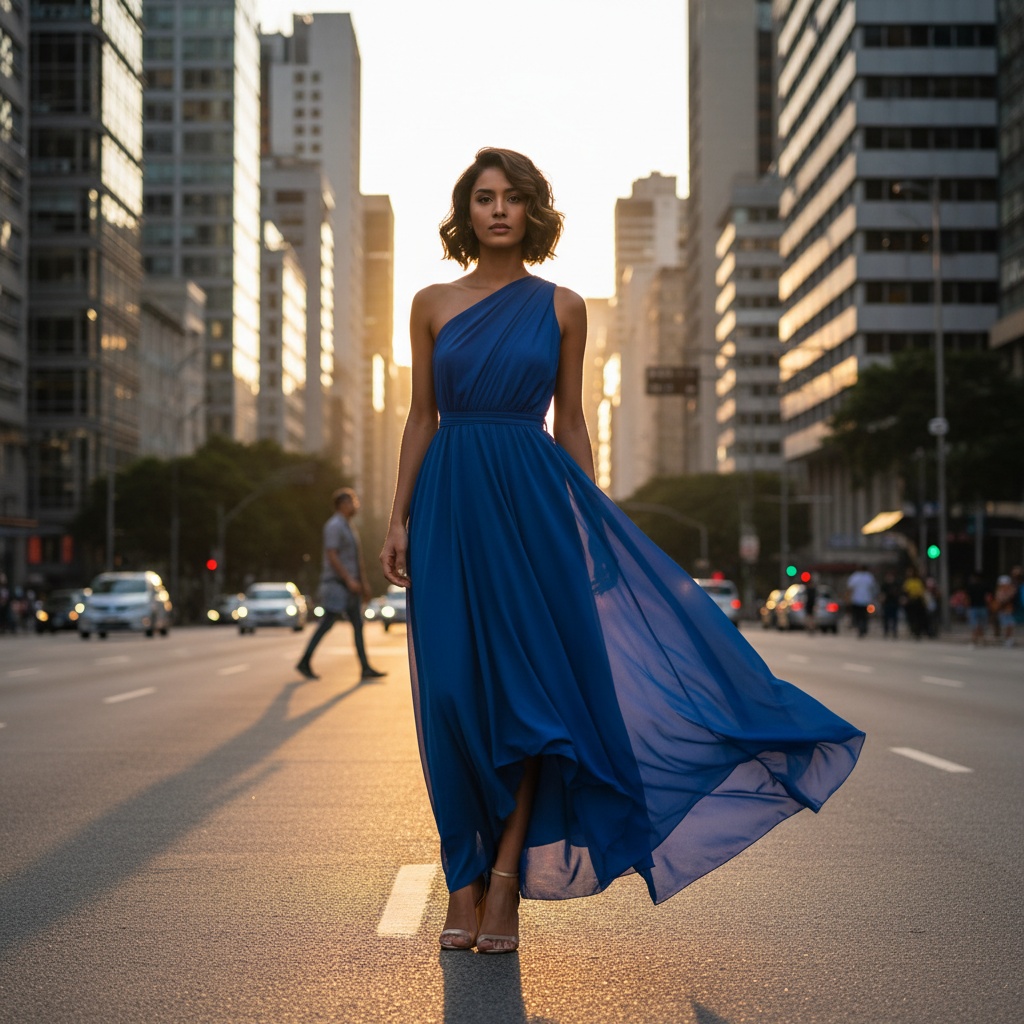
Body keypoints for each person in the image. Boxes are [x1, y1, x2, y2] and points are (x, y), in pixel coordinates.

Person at [379, 148, 864, 956]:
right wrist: (398, 518)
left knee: (535, 710)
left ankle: (502, 884)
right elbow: (421, 416)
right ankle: (461, 876)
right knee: (454, 701)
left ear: (533, 211)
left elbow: (570, 418)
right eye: (484, 198)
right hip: (449, 510)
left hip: (535, 512)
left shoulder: (563, 306)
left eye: (512, 198)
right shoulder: (429, 302)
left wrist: (590, 519)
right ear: (465, 212)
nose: (497, 210)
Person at [296, 488, 386, 682]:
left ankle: (365, 667)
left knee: (357, 625)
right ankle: (304, 661)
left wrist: (363, 584)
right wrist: (349, 580)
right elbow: (332, 555)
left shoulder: (348, 526)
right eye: (352, 501)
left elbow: (356, 559)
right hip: (337, 585)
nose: (356, 505)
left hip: (350, 585)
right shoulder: (334, 525)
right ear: (342, 504)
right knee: (327, 623)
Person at [846, 564, 876, 638]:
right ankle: (863, 628)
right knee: (864, 616)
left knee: (858, 616)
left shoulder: (855, 576)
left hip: (856, 600)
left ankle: (860, 628)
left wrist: (848, 598)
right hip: (866, 600)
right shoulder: (869, 577)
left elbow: (850, 588)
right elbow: (873, 588)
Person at [991, 574, 1017, 647]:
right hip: (1003, 611)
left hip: (1009, 610)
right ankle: (1007, 639)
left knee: (1009, 625)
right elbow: (1000, 600)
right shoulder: (1000, 591)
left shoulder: (1011, 589)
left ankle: (1009, 639)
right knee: (1006, 626)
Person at [965, 572, 990, 647]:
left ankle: (974, 641)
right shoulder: (984, 586)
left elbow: (967, 598)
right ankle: (982, 641)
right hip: (983, 607)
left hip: (973, 608)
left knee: (975, 625)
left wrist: (967, 606)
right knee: (981, 625)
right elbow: (988, 597)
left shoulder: (970, 587)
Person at [880, 570, 902, 639]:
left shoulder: (896, 585)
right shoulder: (884, 585)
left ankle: (894, 631)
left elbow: (899, 593)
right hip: (887, 603)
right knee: (886, 618)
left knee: (894, 618)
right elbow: (881, 594)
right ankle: (886, 631)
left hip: (894, 603)